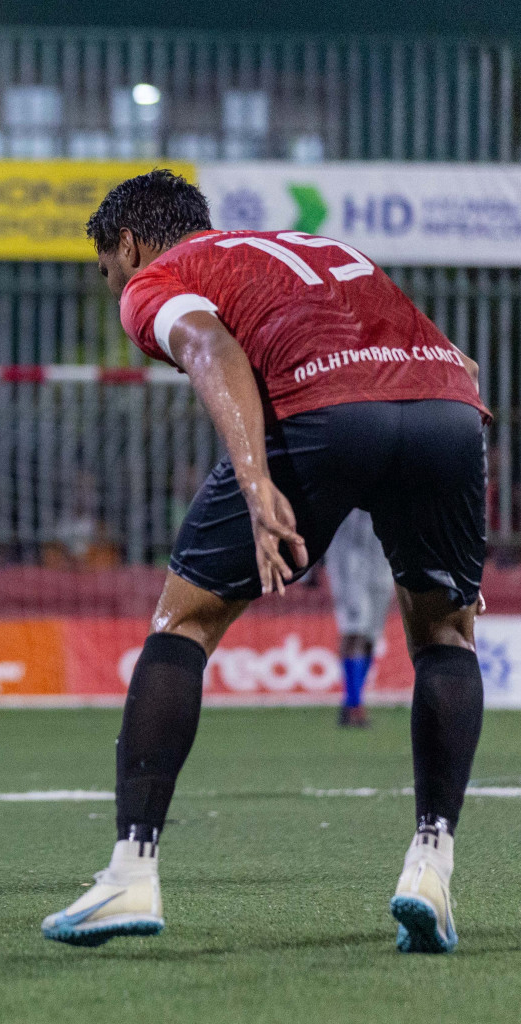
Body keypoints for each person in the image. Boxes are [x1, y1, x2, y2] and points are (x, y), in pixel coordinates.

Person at [42, 171, 487, 954]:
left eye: (108, 267)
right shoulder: (310, 247)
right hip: (450, 410)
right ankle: (431, 868)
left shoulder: (160, 277)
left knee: (182, 622)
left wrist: (255, 483)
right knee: (446, 639)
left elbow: (210, 347)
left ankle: (130, 872)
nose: (116, 286)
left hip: (329, 413)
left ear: (129, 243)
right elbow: (460, 367)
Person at [324, 509, 396, 728]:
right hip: (350, 555)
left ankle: (352, 703)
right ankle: (353, 705)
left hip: (383, 556)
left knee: (371, 635)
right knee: (354, 629)